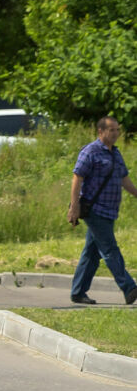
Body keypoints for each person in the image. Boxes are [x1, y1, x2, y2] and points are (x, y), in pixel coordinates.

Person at [67, 116, 137, 305]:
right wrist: (74, 207)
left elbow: (124, 180)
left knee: (92, 252)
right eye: (111, 130)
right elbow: (77, 178)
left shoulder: (115, 154)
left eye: (117, 130)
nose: (116, 133)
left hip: (110, 211)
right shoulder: (90, 151)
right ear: (101, 132)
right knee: (110, 249)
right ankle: (129, 287)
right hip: (94, 210)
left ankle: (78, 291)